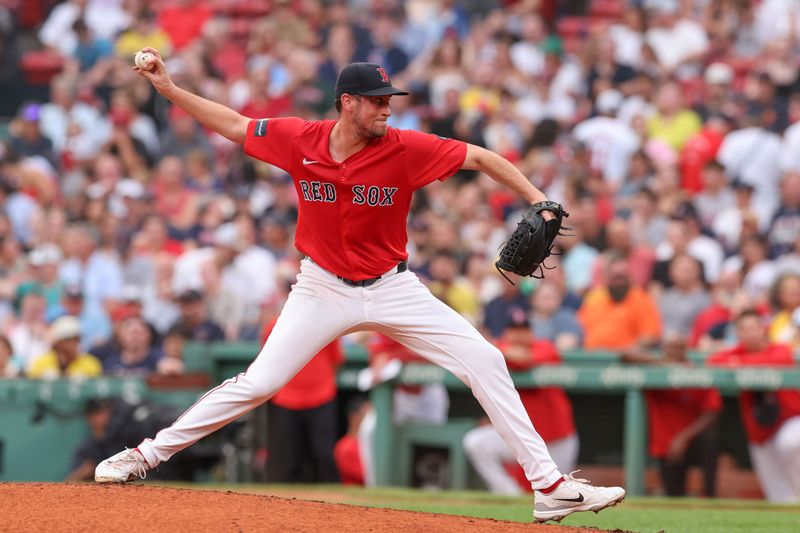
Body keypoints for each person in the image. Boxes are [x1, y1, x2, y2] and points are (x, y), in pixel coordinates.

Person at [94, 51, 625, 522]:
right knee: (259, 383)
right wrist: (168, 89)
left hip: (394, 287)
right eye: (376, 101)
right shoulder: (299, 139)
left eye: (388, 100)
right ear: (348, 103)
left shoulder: (404, 147)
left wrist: (540, 198)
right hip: (321, 286)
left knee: (485, 361)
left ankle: (550, 488)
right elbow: (234, 124)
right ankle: (145, 455)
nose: (387, 109)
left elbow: (480, 157)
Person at [464, 311, 578, 496]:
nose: (519, 335)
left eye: (524, 329)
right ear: (505, 332)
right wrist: (499, 349)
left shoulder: (545, 347)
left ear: (532, 332)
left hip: (556, 440)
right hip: (522, 437)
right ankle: (510, 494)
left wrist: (496, 348)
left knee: (558, 493)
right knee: (476, 442)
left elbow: (524, 360)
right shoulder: (496, 350)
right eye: (513, 330)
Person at [707, 310, 800, 503]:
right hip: (759, 432)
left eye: (754, 328)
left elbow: (778, 361)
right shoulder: (738, 353)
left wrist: (740, 364)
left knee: (792, 441)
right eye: (745, 329)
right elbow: (713, 361)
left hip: (789, 422)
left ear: (763, 329)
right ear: (738, 334)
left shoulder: (780, 349)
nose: (751, 333)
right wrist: (739, 360)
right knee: (779, 498)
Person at [621, 332, 721, 497]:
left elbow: (713, 411)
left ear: (685, 348)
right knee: (674, 494)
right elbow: (625, 356)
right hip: (666, 446)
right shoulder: (655, 370)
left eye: (678, 346)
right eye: (669, 346)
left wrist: (683, 438)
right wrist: (665, 363)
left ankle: (711, 497)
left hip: (693, 441)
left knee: (710, 438)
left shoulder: (694, 371)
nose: (674, 350)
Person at [263, 316, 342, 483]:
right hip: (287, 398)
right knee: (289, 458)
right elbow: (267, 361)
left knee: (324, 454)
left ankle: (334, 503)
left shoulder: (328, 322)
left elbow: (336, 360)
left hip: (321, 395)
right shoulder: (275, 325)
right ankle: (288, 506)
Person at [28, 315, 102, 379]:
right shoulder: (41, 363)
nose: (75, 343)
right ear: (58, 343)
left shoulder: (90, 364)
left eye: (77, 339)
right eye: (69, 339)